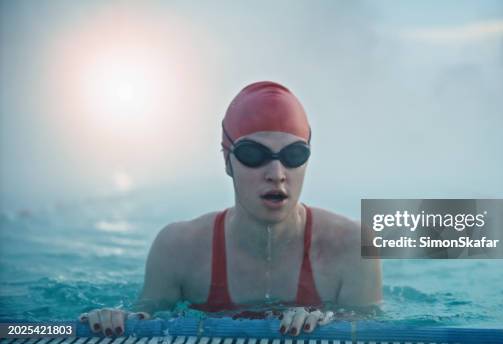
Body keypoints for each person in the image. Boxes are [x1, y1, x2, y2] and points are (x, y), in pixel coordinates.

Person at [80, 81, 382, 337]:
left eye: (293, 155)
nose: (276, 172)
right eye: (254, 154)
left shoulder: (352, 247)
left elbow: (371, 332)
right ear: (227, 162)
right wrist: (114, 319)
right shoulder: (178, 249)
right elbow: (142, 322)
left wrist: (331, 324)